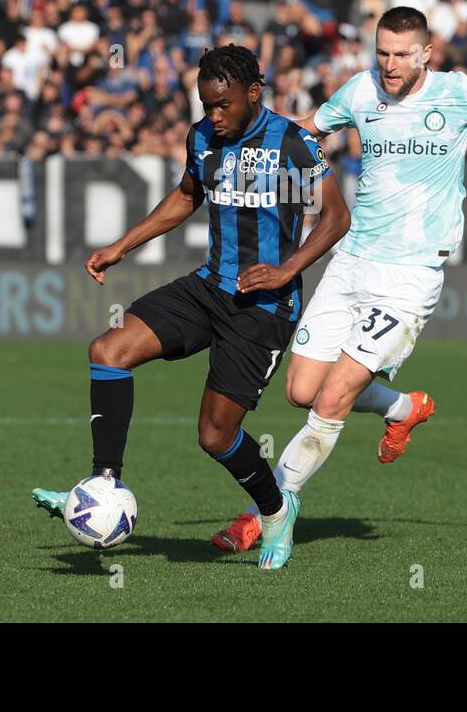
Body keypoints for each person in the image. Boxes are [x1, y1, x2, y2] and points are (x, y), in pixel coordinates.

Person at [211, 7, 467, 564]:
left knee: (334, 396)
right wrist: (242, 145)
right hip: (351, 262)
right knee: (300, 391)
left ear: (425, 54)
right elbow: (301, 133)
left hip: (410, 275)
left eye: (401, 54)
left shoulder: (461, 93)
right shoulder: (360, 92)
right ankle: (400, 408)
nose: (390, 65)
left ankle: (270, 511)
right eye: (382, 52)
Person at [30, 45, 350, 569]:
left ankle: (275, 509)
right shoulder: (202, 138)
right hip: (208, 288)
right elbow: (186, 196)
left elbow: (336, 217)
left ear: (253, 94)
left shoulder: (291, 142)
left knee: (214, 435)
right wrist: (121, 246)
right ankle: (103, 485)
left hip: (263, 308)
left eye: (223, 105)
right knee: (108, 350)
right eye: (206, 105)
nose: (214, 116)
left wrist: (288, 270)